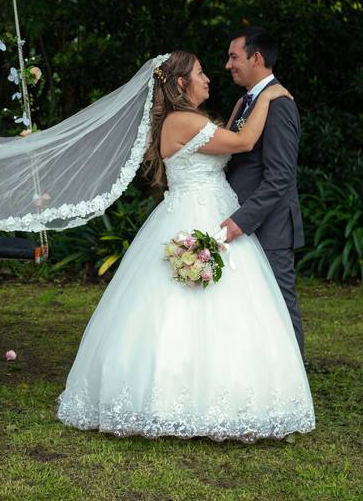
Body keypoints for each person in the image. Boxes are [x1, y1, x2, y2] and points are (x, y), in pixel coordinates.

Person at [56, 50, 314, 442]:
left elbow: (226, 140)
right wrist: (269, 95)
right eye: (200, 73)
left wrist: (247, 103)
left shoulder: (189, 121)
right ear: (180, 83)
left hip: (209, 208)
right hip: (199, 214)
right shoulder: (182, 121)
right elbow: (244, 142)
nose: (209, 77)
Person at [221, 28, 306, 359]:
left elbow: (280, 176)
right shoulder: (247, 102)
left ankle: (294, 383)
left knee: (280, 305)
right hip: (247, 221)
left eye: (234, 57)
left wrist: (240, 221)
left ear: (256, 58)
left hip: (268, 226)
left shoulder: (279, 103)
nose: (228, 65)